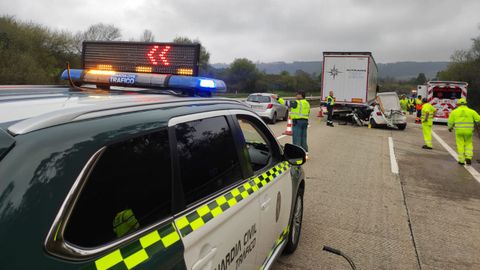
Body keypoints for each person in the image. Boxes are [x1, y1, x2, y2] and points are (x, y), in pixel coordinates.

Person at [447, 98, 480, 165]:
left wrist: (450, 128)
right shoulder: (472, 111)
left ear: (458, 104)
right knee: (469, 144)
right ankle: (468, 157)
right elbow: (478, 119)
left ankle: (461, 160)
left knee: (460, 145)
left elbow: (450, 122)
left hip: (459, 131)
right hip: (469, 132)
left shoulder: (454, 112)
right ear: (466, 104)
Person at [289, 91, 311, 158]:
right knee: (303, 138)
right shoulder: (307, 103)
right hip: (305, 122)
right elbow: (308, 112)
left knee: (296, 138)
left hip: (297, 122)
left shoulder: (297, 102)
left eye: (297, 95)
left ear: (301, 96)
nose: (296, 96)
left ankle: (296, 154)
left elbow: (286, 103)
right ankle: (305, 153)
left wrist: (278, 98)